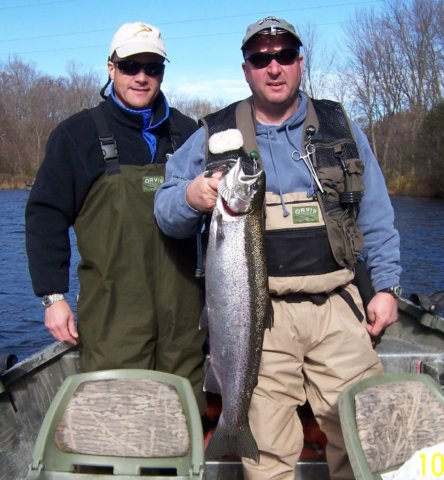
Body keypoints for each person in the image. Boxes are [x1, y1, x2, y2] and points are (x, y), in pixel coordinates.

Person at [154, 16, 401, 480]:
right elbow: (164, 209)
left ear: (300, 63)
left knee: (364, 438)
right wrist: (190, 197)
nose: (274, 67)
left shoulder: (339, 125)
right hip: (255, 319)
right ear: (246, 69)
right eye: (260, 59)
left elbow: (378, 216)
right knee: (265, 456)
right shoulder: (213, 132)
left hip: (338, 309)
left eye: (284, 56)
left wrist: (385, 286)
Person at [25, 21, 207, 411]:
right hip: (113, 318)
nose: (142, 77)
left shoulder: (189, 134)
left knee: (182, 419)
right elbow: (45, 216)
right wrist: (52, 297)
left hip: (185, 318)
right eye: (130, 67)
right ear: (111, 68)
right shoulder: (77, 135)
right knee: (117, 423)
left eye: (152, 67)